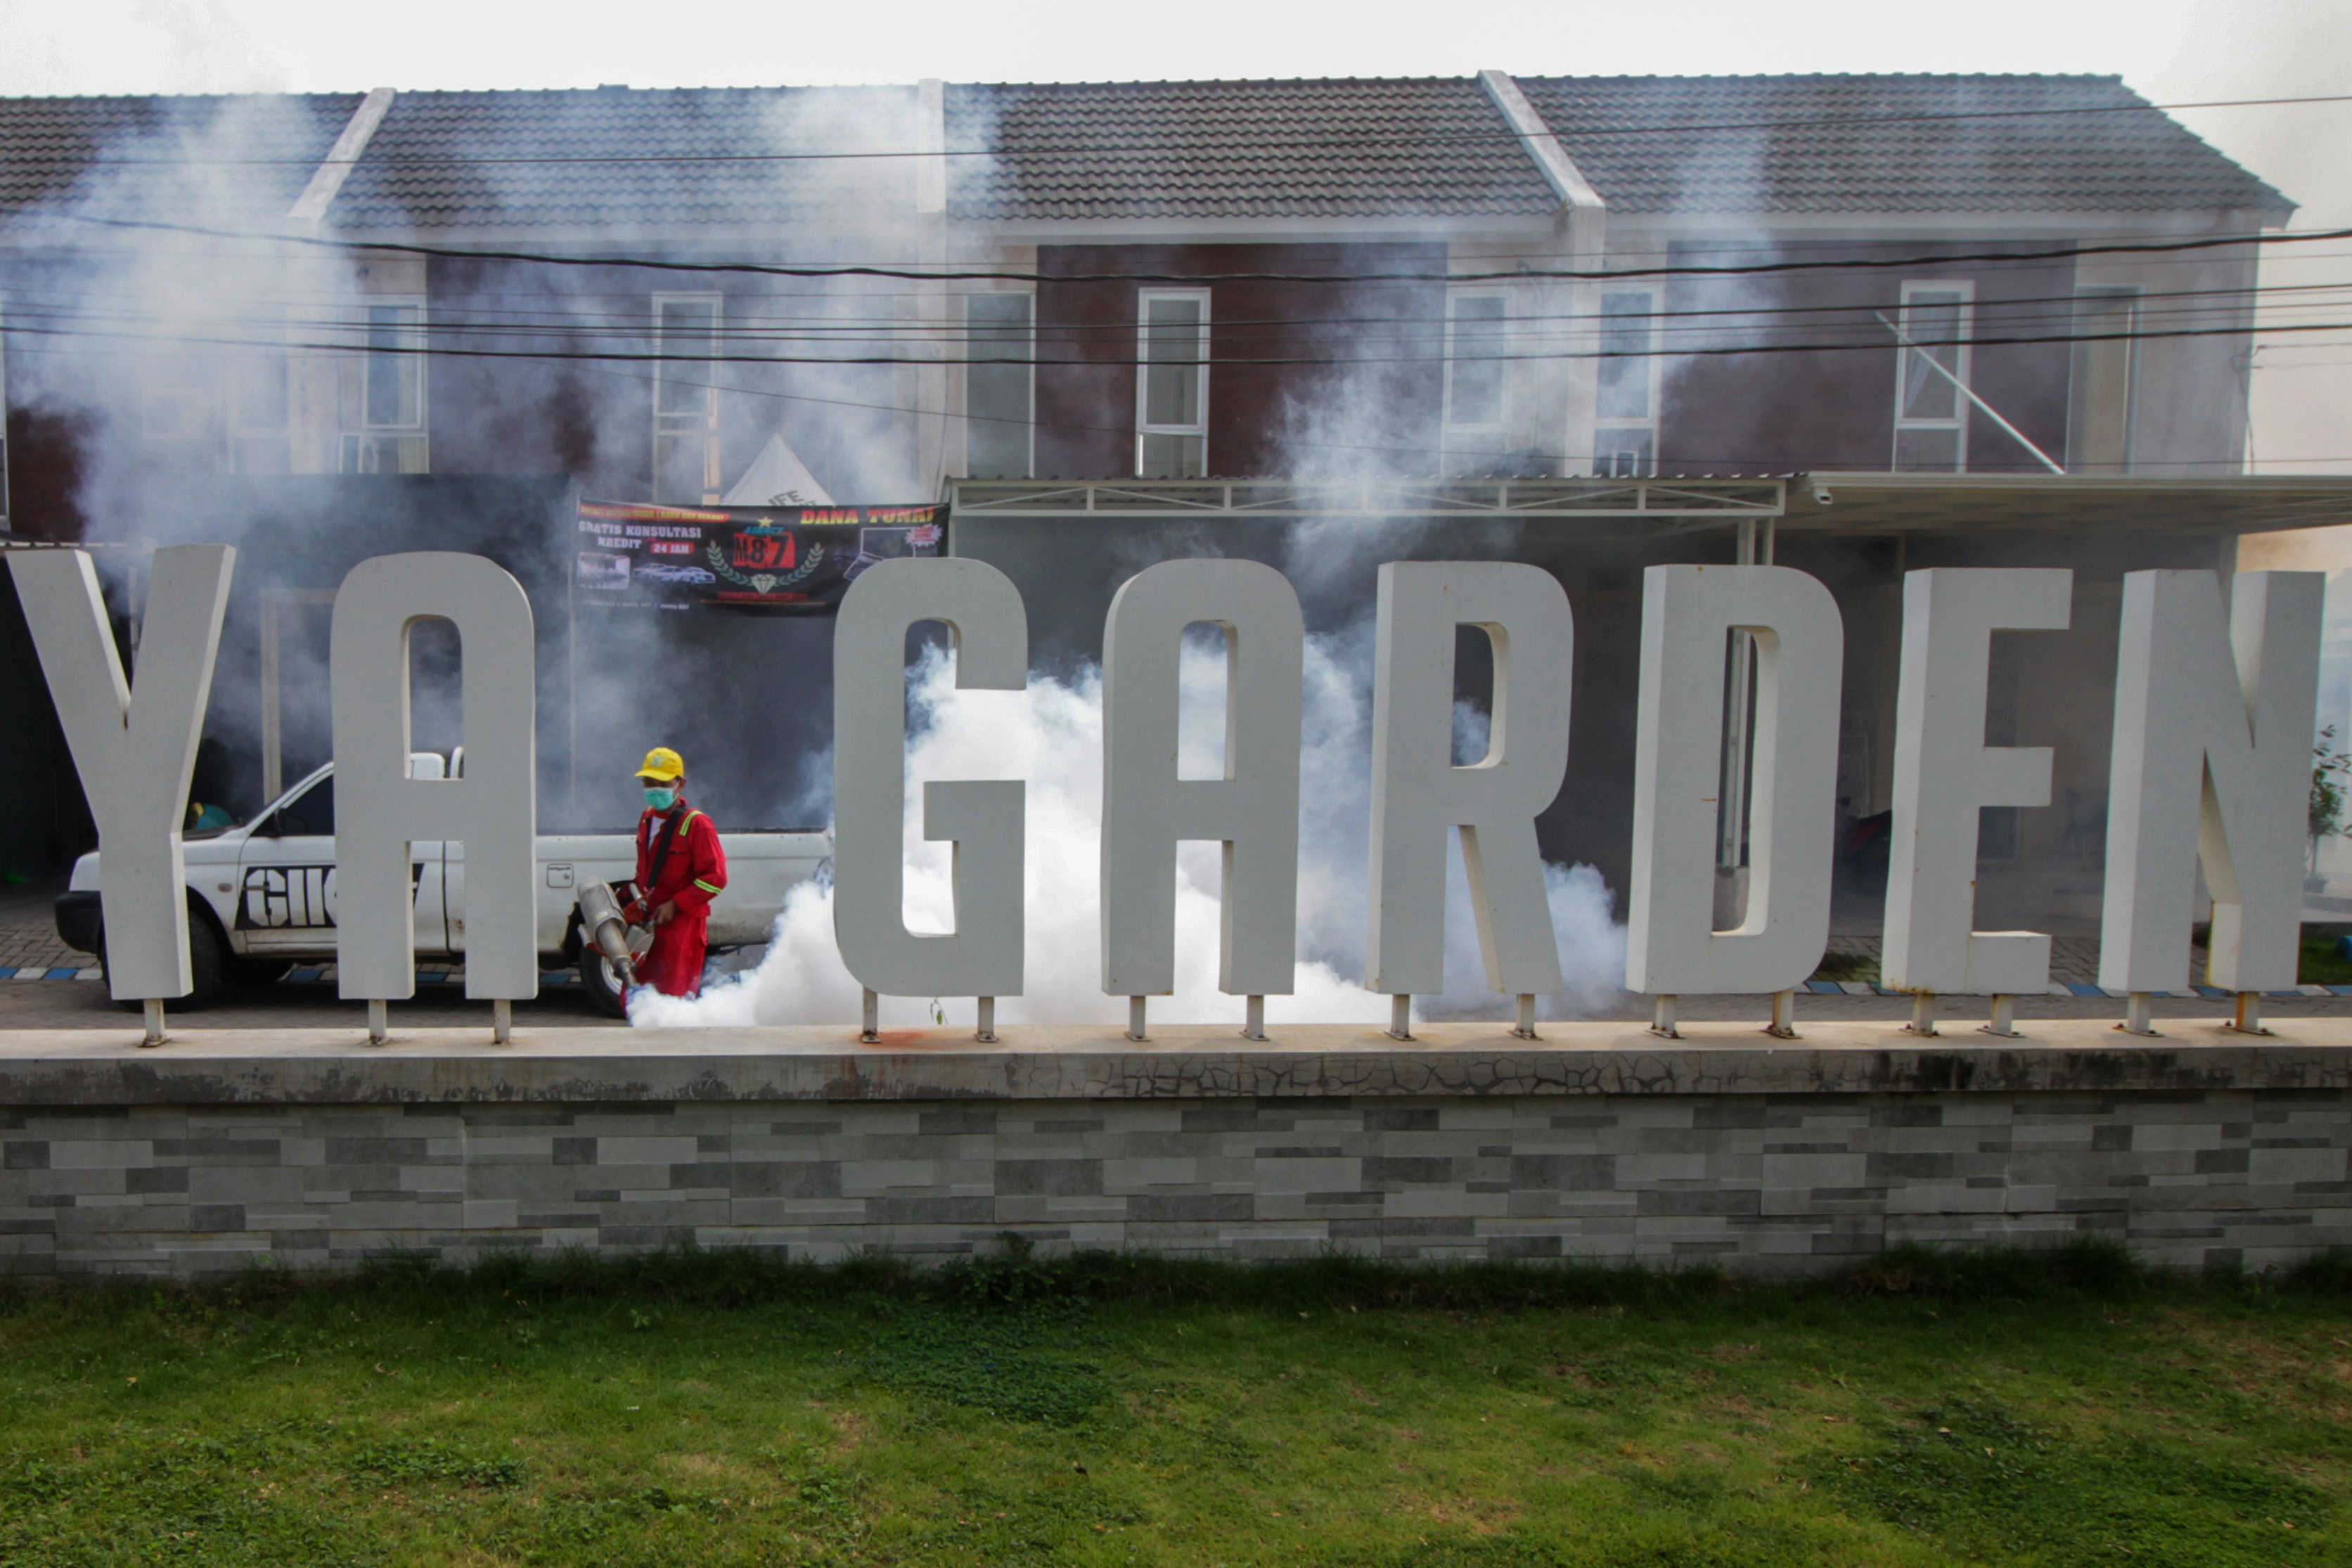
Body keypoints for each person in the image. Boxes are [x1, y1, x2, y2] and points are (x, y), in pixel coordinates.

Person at [622, 747, 728, 1001]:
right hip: (650, 920)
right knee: (637, 994)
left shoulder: (697, 824)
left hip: (683, 925)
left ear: (680, 784)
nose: (654, 788)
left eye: (662, 783)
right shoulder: (647, 818)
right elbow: (645, 872)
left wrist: (676, 904)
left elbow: (717, 878)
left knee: (672, 997)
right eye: (648, 782)